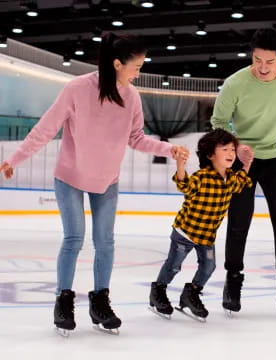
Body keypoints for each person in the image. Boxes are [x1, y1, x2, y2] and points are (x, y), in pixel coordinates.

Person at [0, 32, 189, 335]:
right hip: (70, 175)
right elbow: (45, 129)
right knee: (74, 238)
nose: (138, 73)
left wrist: (169, 150)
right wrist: (15, 159)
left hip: (106, 179)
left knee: (105, 242)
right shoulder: (77, 89)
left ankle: (100, 300)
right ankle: (63, 300)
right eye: (136, 66)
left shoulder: (131, 97)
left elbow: (136, 138)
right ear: (117, 64)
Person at [210, 27, 276, 316]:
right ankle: (233, 280)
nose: (263, 68)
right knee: (238, 222)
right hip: (242, 162)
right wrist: (236, 147)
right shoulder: (235, 84)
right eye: (257, 60)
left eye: (270, 61)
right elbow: (218, 121)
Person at [149, 129, 252, 320]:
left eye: (232, 149)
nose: (231, 153)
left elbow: (241, 183)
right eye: (225, 149)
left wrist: (247, 163)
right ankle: (158, 292)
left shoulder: (230, 178)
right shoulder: (202, 177)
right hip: (186, 232)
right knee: (173, 266)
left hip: (206, 236)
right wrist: (180, 165)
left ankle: (191, 293)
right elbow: (184, 186)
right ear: (211, 155)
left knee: (209, 266)